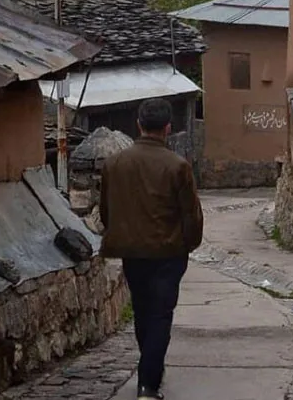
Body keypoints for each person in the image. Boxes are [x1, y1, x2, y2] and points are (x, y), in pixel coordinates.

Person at [99, 98, 203, 400]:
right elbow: (191, 215)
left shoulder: (114, 164)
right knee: (159, 315)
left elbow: (107, 210)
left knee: (144, 313)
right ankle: (148, 383)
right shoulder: (177, 166)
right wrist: (189, 244)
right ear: (168, 128)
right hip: (167, 252)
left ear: (139, 125)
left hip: (131, 251)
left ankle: (150, 368)